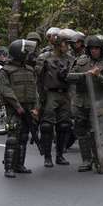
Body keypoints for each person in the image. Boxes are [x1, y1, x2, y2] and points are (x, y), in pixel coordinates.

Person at [66, 36, 103, 171]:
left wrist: (98, 76)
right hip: (81, 101)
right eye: (91, 48)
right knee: (81, 130)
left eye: (97, 48)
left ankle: (102, 158)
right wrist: (85, 75)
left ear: (102, 49)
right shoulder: (81, 61)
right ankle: (86, 160)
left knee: (97, 131)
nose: (94, 51)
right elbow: (69, 77)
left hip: (100, 102)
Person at [0, 39, 39, 178]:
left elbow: (35, 90)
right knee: (13, 138)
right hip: (14, 109)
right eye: (26, 52)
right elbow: (5, 90)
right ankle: (9, 168)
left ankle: (20, 165)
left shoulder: (30, 69)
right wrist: (17, 106)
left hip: (28, 108)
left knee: (24, 137)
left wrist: (36, 108)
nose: (29, 55)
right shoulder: (6, 70)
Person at [35, 29, 74, 167]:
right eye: (65, 43)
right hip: (49, 93)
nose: (67, 46)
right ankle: (47, 157)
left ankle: (60, 155)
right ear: (58, 43)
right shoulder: (44, 58)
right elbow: (37, 78)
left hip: (65, 93)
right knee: (46, 126)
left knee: (64, 125)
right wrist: (39, 98)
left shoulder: (70, 59)